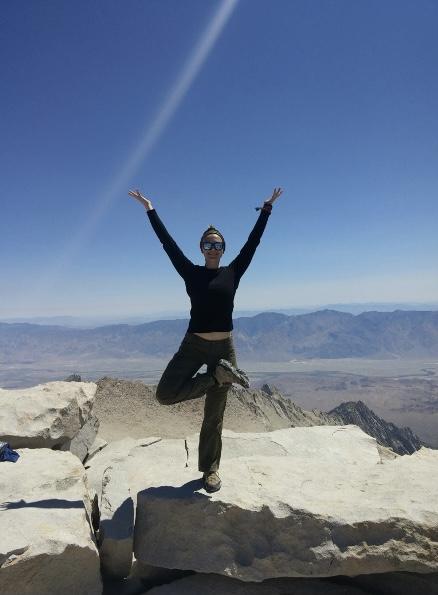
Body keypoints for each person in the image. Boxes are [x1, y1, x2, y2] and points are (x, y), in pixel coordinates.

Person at [127, 187, 283, 492]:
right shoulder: (191, 273)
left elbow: (253, 243)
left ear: (223, 249)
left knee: (215, 415)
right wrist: (149, 208)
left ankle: (210, 470)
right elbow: (167, 243)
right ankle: (215, 378)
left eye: (217, 244)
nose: (213, 248)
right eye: (208, 244)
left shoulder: (233, 272)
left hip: (224, 348)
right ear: (201, 248)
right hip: (194, 345)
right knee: (165, 393)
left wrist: (266, 210)